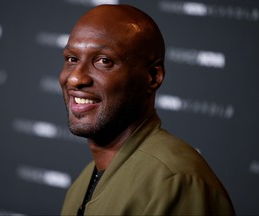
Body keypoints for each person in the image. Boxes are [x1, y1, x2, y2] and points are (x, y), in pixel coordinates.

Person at [59, 4, 235, 216]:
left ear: (153, 77)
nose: (76, 78)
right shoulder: (83, 182)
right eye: (72, 59)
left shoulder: (176, 182)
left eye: (104, 61)